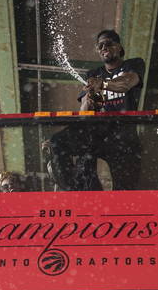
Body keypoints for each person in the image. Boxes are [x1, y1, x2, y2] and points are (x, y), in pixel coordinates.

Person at [46, 30, 144, 191]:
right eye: (100, 45)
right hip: (96, 132)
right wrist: (90, 100)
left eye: (109, 43)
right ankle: (72, 189)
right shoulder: (93, 74)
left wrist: (103, 84)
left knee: (123, 187)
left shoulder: (132, 64)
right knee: (58, 141)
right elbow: (85, 111)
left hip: (122, 134)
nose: (104, 47)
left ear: (119, 47)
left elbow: (128, 82)